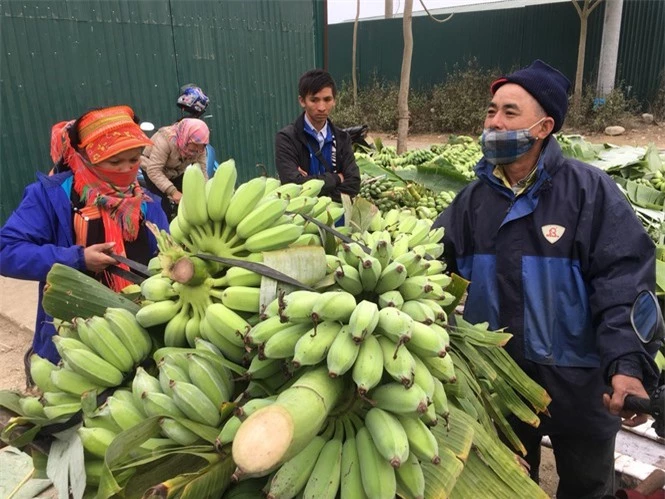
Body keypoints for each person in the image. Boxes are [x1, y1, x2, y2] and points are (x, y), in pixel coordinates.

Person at [433, 60, 660, 499]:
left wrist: (628, 365)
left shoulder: (588, 192)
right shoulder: (473, 200)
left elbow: (624, 282)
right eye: (491, 111)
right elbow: (430, 262)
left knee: (587, 487)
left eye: (509, 113)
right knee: (511, 485)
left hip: (579, 385)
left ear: (543, 126)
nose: (494, 122)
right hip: (499, 380)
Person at [0, 105, 169, 365]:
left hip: (138, 333)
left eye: (134, 159)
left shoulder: (148, 202)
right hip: (71, 334)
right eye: (114, 162)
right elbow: (7, 252)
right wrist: (77, 259)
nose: (126, 169)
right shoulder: (50, 196)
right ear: (85, 156)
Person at [275, 69, 360, 202]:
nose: (321, 107)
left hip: (337, 218)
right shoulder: (287, 139)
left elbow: (353, 183)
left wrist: (310, 186)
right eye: (314, 100)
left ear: (334, 101)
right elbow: (292, 184)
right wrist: (337, 178)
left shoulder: (342, 138)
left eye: (327, 99)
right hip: (301, 218)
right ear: (302, 101)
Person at [140, 118, 209, 218]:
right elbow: (154, 170)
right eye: (194, 146)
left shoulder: (200, 149)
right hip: (152, 170)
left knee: (192, 199)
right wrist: (173, 191)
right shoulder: (165, 140)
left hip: (176, 171)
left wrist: (206, 190)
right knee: (163, 207)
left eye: (201, 146)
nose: (197, 150)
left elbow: (202, 170)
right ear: (186, 138)